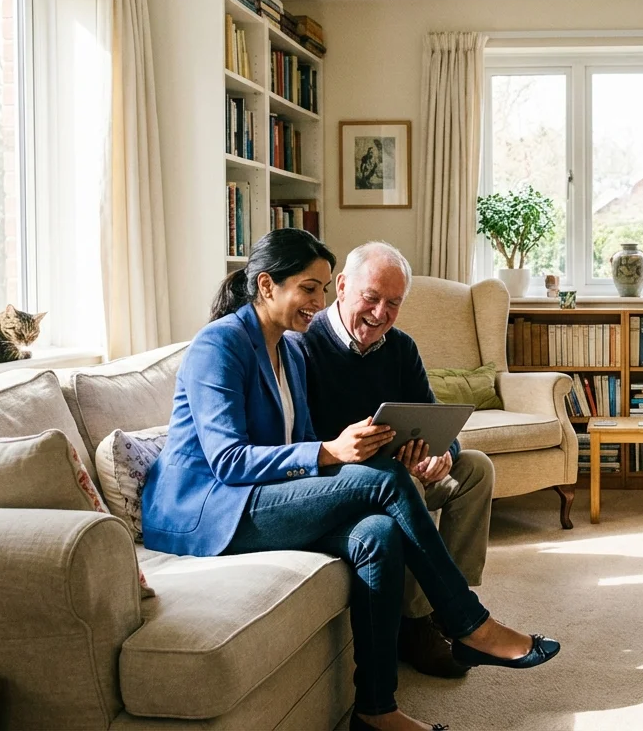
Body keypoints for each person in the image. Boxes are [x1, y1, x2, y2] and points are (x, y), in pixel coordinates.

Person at [142, 229, 559, 731]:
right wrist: (331, 451)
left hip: (264, 498)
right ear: (268, 286)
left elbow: (310, 434)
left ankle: (376, 711)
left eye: (320, 290)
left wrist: (411, 453)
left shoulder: (290, 350)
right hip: (209, 510)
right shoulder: (221, 343)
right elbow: (228, 460)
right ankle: (469, 623)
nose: (317, 303)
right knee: (383, 479)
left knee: (378, 536)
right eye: (309, 289)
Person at [290, 241, 493, 680]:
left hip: (403, 471)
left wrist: (441, 454)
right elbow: (298, 442)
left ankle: (448, 610)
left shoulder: (400, 347)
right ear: (341, 286)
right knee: (409, 484)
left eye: (394, 303)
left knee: (476, 468)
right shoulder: (301, 348)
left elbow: (439, 420)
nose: (381, 313)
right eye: (372, 298)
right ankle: (414, 624)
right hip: (342, 479)